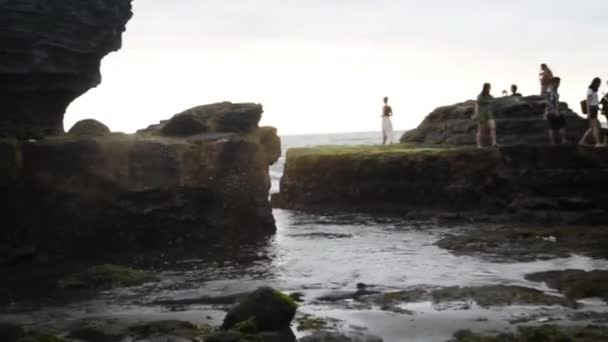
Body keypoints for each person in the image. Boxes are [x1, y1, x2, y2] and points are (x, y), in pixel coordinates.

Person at [579, 77, 603, 147]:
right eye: (598, 83)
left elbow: (594, 101)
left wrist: (597, 106)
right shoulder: (590, 90)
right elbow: (588, 102)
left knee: (592, 127)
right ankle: (598, 143)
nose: (599, 85)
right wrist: (588, 112)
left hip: (595, 108)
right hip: (592, 109)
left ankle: (582, 141)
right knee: (595, 126)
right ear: (595, 83)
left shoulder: (594, 91)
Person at [473, 83, 497, 148]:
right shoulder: (480, 96)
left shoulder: (490, 97)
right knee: (481, 130)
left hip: (489, 114)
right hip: (481, 115)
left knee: (493, 128)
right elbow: (476, 105)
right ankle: (479, 145)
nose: (489, 89)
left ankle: (494, 143)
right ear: (485, 88)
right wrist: (476, 114)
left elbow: (494, 101)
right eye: (488, 88)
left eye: (490, 88)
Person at [544, 77, 567, 144]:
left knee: (555, 127)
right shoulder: (551, 91)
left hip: (552, 111)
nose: (558, 85)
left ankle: (558, 141)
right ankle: (560, 140)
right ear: (554, 82)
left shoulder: (553, 90)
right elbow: (549, 102)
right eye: (558, 83)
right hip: (552, 112)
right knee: (558, 126)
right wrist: (555, 111)